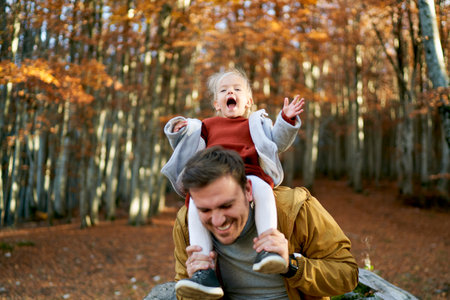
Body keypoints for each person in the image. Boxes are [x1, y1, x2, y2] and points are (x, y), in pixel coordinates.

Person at [161, 68, 304, 298]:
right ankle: (203, 270)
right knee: (194, 208)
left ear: (248, 101)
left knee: (263, 191)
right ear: (217, 103)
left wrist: (286, 119)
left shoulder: (255, 124)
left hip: (249, 174)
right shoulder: (206, 125)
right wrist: (179, 128)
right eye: (224, 90)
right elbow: (185, 143)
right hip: (214, 180)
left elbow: (278, 142)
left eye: (237, 89)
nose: (231, 92)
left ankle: (269, 248)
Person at [172, 146, 359, 300]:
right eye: (205, 210)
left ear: (247, 190)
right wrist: (195, 285)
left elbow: (347, 275)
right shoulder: (187, 224)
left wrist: (291, 265)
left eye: (226, 205)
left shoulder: (296, 209)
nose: (218, 220)